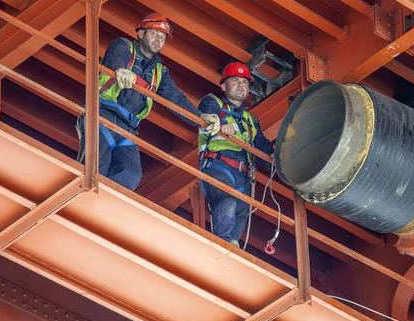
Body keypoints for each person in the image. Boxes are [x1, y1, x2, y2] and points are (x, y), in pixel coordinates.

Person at [76, 12, 220, 191]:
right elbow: (116, 57)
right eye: (154, 34)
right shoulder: (124, 46)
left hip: (128, 127)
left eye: (163, 37)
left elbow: (175, 98)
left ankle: (102, 206)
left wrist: (201, 118)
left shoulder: (160, 71)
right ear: (141, 33)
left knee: (131, 176)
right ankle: (82, 200)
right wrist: (120, 70)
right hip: (102, 114)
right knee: (95, 167)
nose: (159, 40)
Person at [198, 62, 274, 248]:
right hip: (218, 166)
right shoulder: (212, 102)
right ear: (223, 86)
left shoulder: (251, 120)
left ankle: (232, 247)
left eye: (245, 82)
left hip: (243, 174)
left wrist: (277, 157)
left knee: (241, 210)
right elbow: (209, 114)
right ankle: (223, 243)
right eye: (235, 80)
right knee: (228, 199)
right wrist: (219, 124)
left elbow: (262, 146)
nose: (241, 85)